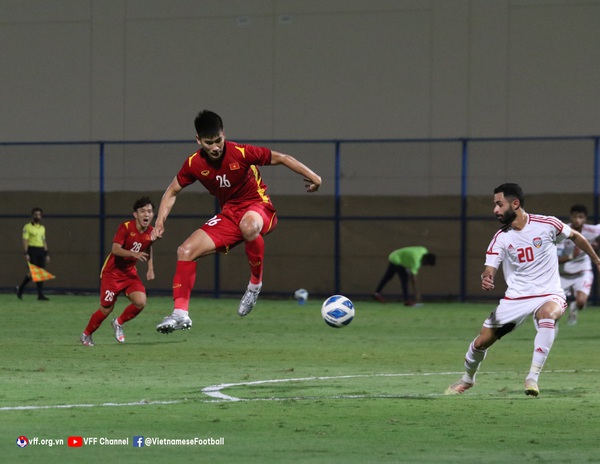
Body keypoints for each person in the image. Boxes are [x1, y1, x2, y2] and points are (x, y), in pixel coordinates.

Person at [152, 110, 321, 334]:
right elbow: (172, 191)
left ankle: (254, 285)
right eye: (209, 143)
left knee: (249, 226)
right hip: (230, 215)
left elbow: (282, 158)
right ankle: (180, 314)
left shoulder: (241, 152)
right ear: (198, 140)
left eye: (218, 140)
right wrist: (160, 222)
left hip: (259, 208)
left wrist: (315, 177)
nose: (215, 147)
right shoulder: (194, 163)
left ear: (224, 135)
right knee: (185, 250)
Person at [445, 183, 600, 397]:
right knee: (481, 342)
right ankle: (468, 378)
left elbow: (576, 237)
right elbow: (489, 268)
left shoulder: (547, 224)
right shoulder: (501, 237)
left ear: (515, 203)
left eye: (499, 204)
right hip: (516, 299)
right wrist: (487, 277)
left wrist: (596, 260)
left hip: (549, 293)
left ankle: (532, 378)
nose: (495, 210)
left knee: (547, 316)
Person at [80, 197, 155, 346]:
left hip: (129, 274)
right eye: (142, 211)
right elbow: (115, 249)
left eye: (150, 211)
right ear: (136, 214)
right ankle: (86, 335)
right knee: (106, 308)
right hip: (112, 274)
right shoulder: (126, 227)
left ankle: (118, 323)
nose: (146, 214)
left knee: (140, 302)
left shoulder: (151, 232)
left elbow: (148, 246)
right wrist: (133, 254)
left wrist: (150, 268)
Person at [556, 204, 600, 325]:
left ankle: (574, 307)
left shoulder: (592, 231)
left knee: (581, 302)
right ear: (570, 217)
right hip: (563, 274)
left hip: (582, 272)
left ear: (585, 219)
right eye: (575, 216)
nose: (577, 220)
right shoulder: (563, 233)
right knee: (555, 308)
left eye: (580, 217)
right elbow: (556, 259)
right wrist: (572, 256)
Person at [17, 207, 50, 300]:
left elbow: (44, 241)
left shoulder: (42, 228)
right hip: (32, 250)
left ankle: (40, 294)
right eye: (36, 214)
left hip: (41, 250)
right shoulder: (27, 227)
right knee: (32, 272)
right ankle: (21, 288)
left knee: (40, 272)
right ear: (32, 216)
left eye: (39, 215)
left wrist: (46, 253)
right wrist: (26, 252)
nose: (37, 216)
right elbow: (24, 240)